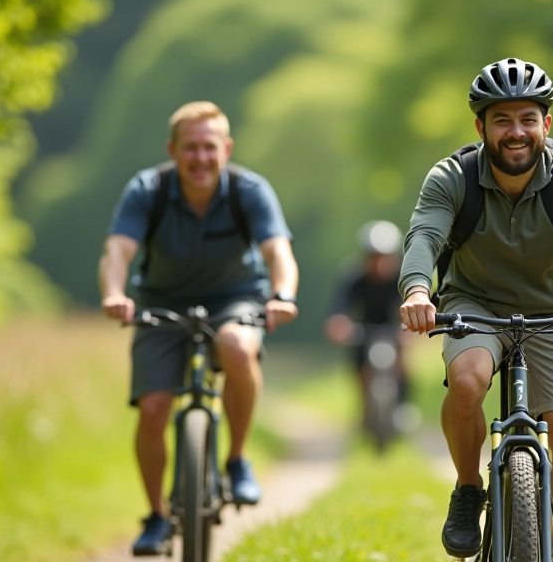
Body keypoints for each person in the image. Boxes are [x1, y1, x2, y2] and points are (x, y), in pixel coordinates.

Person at [398, 58, 553, 561]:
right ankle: (467, 490)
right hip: (473, 306)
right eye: (502, 120)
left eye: (528, 119)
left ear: (546, 124)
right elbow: (425, 236)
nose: (516, 132)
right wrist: (418, 291)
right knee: (466, 382)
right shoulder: (452, 177)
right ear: (480, 126)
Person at [98, 101, 299, 556]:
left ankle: (236, 460)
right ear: (173, 150)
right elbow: (117, 252)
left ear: (225, 149)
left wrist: (282, 296)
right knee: (152, 409)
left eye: (209, 148)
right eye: (190, 148)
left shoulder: (249, 190)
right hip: (160, 305)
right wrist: (115, 293)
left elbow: (278, 253)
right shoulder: (147, 190)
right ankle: (155, 515)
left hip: (236, 299)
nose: (200, 159)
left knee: (236, 346)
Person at [324, 220, 414, 436]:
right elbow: (339, 307)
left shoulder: (403, 278)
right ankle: (365, 406)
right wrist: (339, 325)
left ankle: (403, 405)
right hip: (363, 330)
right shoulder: (355, 277)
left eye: (384, 257)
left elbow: (419, 303)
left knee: (404, 360)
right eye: (373, 257)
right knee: (358, 362)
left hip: (395, 328)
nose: (379, 263)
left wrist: (411, 329)